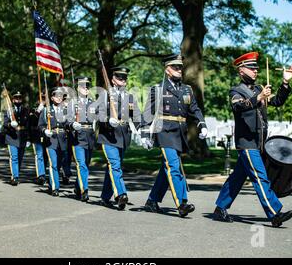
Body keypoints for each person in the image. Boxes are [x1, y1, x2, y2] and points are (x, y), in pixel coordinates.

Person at [212, 51, 292, 228]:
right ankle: (274, 213)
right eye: (251, 68)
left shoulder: (259, 89)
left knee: (237, 177)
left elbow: (278, 101)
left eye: (256, 68)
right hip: (246, 142)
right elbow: (238, 107)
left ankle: (220, 208)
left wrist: (285, 82)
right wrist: (259, 98)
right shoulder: (236, 91)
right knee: (260, 177)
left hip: (259, 143)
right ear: (241, 70)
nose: (255, 71)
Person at [140, 54, 208, 217]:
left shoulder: (186, 89)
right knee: (173, 166)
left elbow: (195, 109)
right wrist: (144, 133)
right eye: (175, 67)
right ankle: (182, 203)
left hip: (180, 133)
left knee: (167, 168)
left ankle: (152, 200)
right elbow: (147, 113)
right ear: (167, 70)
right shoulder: (158, 89)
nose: (179, 70)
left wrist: (202, 124)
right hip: (164, 131)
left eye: (180, 67)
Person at [98, 66, 142, 210]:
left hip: (123, 136)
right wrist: (107, 120)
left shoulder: (129, 97)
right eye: (119, 78)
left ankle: (105, 197)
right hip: (108, 137)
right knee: (115, 165)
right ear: (113, 79)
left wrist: (144, 131)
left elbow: (136, 116)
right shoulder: (105, 95)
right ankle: (121, 195)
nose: (122, 80)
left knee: (113, 167)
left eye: (124, 78)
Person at [68, 76, 97, 202]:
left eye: (87, 86)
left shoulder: (92, 102)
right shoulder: (72, 103)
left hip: (89, 136)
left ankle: (77, 187)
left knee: (86, 164)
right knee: (82, 165)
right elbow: (67, 120)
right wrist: (72, 124)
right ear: (78, 88)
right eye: (83, 86)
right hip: (77, 137)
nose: (86, 88)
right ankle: (84, 190)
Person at [38, 87, 71, 196]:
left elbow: (68, 124)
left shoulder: (65, 110)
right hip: (51, 139)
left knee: (59, 164)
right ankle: (54, 187)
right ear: (52, 98)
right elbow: (40, 125)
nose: (59, 98)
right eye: (57, 96)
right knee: (53, 163)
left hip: (62, 139)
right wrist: (45, 130)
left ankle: (53, 183)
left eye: (61, 96)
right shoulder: (46, 110)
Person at [3, 91, 30, 186]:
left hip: (22, 137)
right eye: (16, 98)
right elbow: (5, 124)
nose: (18, 100)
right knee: (14, 157)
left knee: (20, 158)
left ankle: (16, 174)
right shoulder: (9, 110)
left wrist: (29, 138)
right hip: (12, 136)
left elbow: (28, 125)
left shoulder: (26, 110)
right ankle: (15, 177)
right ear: (13, 99)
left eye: (20, 98)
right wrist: (11, 124)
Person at [29, 93, 47, 185]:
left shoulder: (50, 109)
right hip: (37, 136)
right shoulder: (34, 109)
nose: (43, 100)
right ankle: (41, 175)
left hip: (47, 136)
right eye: (42, 98)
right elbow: (31, 120)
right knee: (39, 155)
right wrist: (38, 111)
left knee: (46, 156)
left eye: (45, 98)